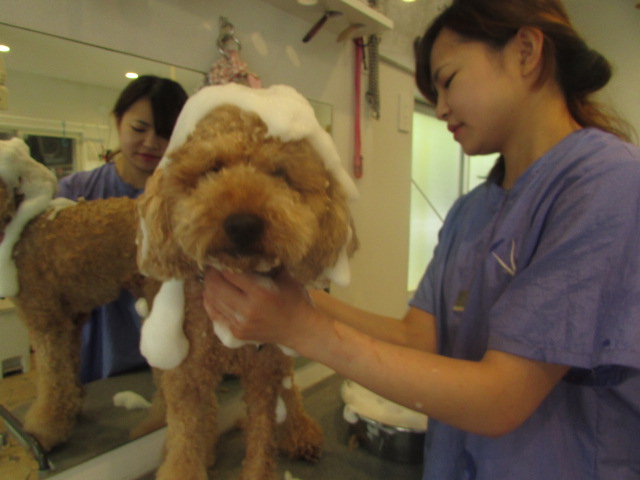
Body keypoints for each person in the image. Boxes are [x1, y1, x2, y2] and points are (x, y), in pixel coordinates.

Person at [201, 1, 640, 479]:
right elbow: (419, 338)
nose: (442, 106)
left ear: (526, 51)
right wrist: (293, 299)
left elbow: (501, 398)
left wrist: (300, 329)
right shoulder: (472, 212)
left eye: (447, 80)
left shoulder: (608, 185)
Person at [58, 75, 188, 383]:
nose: (151, 143)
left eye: (165, 133)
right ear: (118, 122)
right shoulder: (76, 192)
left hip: (174, 344)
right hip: (100, 343)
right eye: (139, 129)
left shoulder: (188, 201)